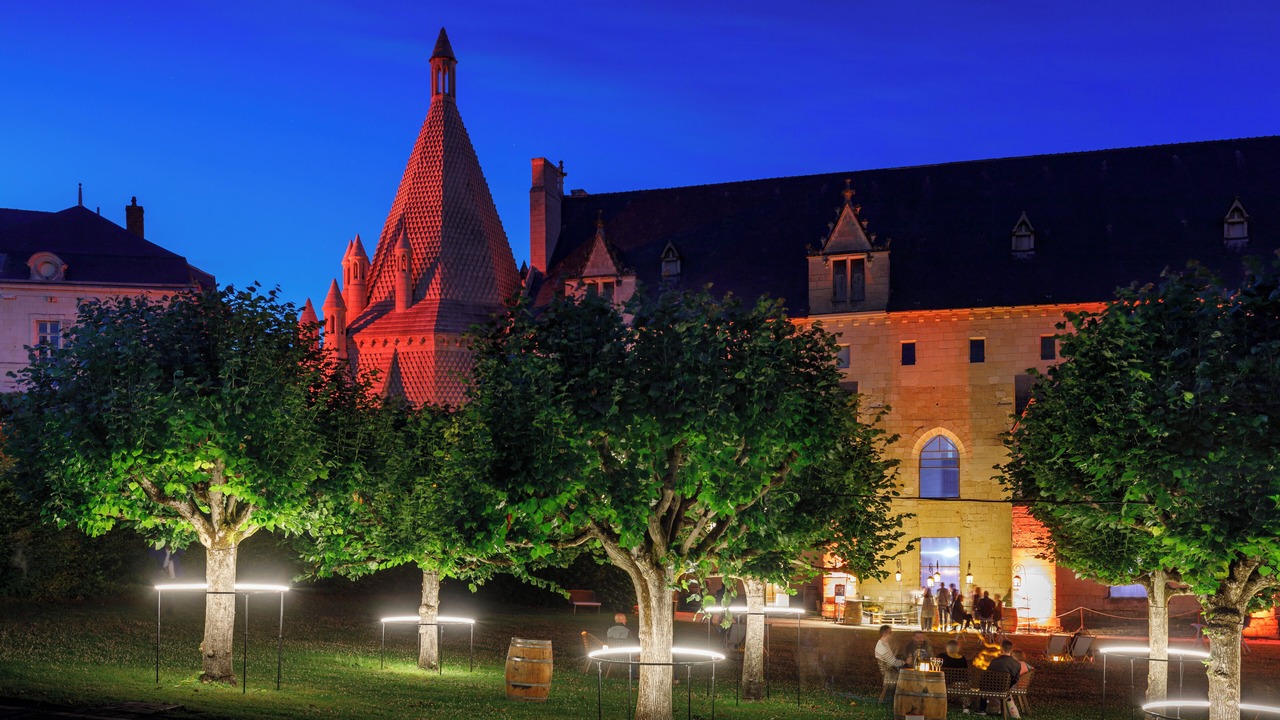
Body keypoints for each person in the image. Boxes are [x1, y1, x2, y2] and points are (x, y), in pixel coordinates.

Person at [980, 639, 1022, 717]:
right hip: (1007, 689)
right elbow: (1016, 679)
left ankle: (982, 708)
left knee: (983, 684)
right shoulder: (1017, 664)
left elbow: (988, 676)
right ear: (1011, 650)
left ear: (1001, 649)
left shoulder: (994, 662)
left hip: (992, 687)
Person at [938, 639, 971, 713]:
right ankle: (965, 707)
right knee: (963, 686)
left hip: (945, 684)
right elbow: (965, 673)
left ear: (947, 648)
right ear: (958, 649)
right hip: (961, 685)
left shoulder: (941, 657)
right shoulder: (962, 659)